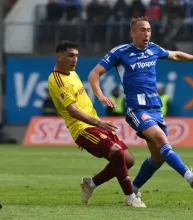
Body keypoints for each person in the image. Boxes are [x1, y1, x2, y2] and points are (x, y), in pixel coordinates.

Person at [88, 17, 193, 201]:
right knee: (160, 138)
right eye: (142, 30)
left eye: (148, 30)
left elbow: (175, 55)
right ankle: (188, 176)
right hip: (136, 109)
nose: (146, 33)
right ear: (133, 33)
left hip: (155, 108)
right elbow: (94, 73)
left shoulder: (154, 49)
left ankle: (131, 189)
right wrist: (100, 96)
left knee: (158, 157)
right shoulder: (120, 52)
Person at [47, 40, 146, 207]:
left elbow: (82, 103)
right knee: (116, 153)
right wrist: (93, 127)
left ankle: (91, 184)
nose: (75, 59)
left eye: (77, 56)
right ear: (59, 56)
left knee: (128, 160)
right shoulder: (56, 80)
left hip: (94, 125)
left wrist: (96, 125)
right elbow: (72, 111)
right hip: (83, 128)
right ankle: (130, 196)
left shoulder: (73, 74)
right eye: (70, 55)